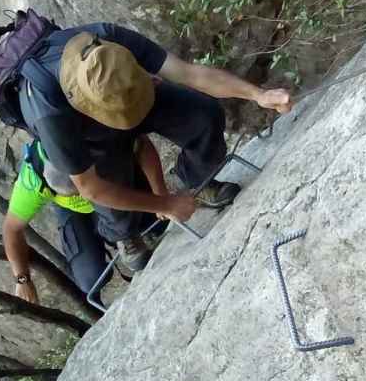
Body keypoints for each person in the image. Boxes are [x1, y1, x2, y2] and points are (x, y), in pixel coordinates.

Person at [19, 23, 293, 270]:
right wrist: (163, 203)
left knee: (202, 115)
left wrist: (259, 94)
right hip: (86, 132)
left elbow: (189, 74)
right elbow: (91, 187)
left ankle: (198, 181)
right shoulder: (49, 112)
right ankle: (124, 234)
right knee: (110, 177)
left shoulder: (108, 41)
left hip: (132, 90)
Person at [3, 136, 169, 305]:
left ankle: (124, 232)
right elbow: (11, 229)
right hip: (75, 212)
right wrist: (22, 279)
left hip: (109, 183)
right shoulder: (33, 179)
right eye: (74, 191)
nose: (81, 194)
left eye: (80, 189)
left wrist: (160, 195)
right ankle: (110, 233)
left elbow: (141, 144)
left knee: (158, 225)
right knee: (89, 278)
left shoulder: (96, 137)